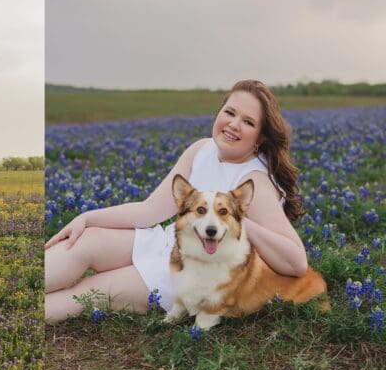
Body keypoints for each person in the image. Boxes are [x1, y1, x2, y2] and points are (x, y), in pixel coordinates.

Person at [45, 80, 307, 322]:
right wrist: (87, 217)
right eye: (230, 112)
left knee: (91, 290)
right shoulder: (202, 150)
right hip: (167, 242)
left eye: (248, 122)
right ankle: (12, 289)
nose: (234, 124)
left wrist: (241, 223)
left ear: (260, 137)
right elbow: (150, 210)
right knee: (86, 241)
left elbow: (296, 262)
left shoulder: (254, 182)